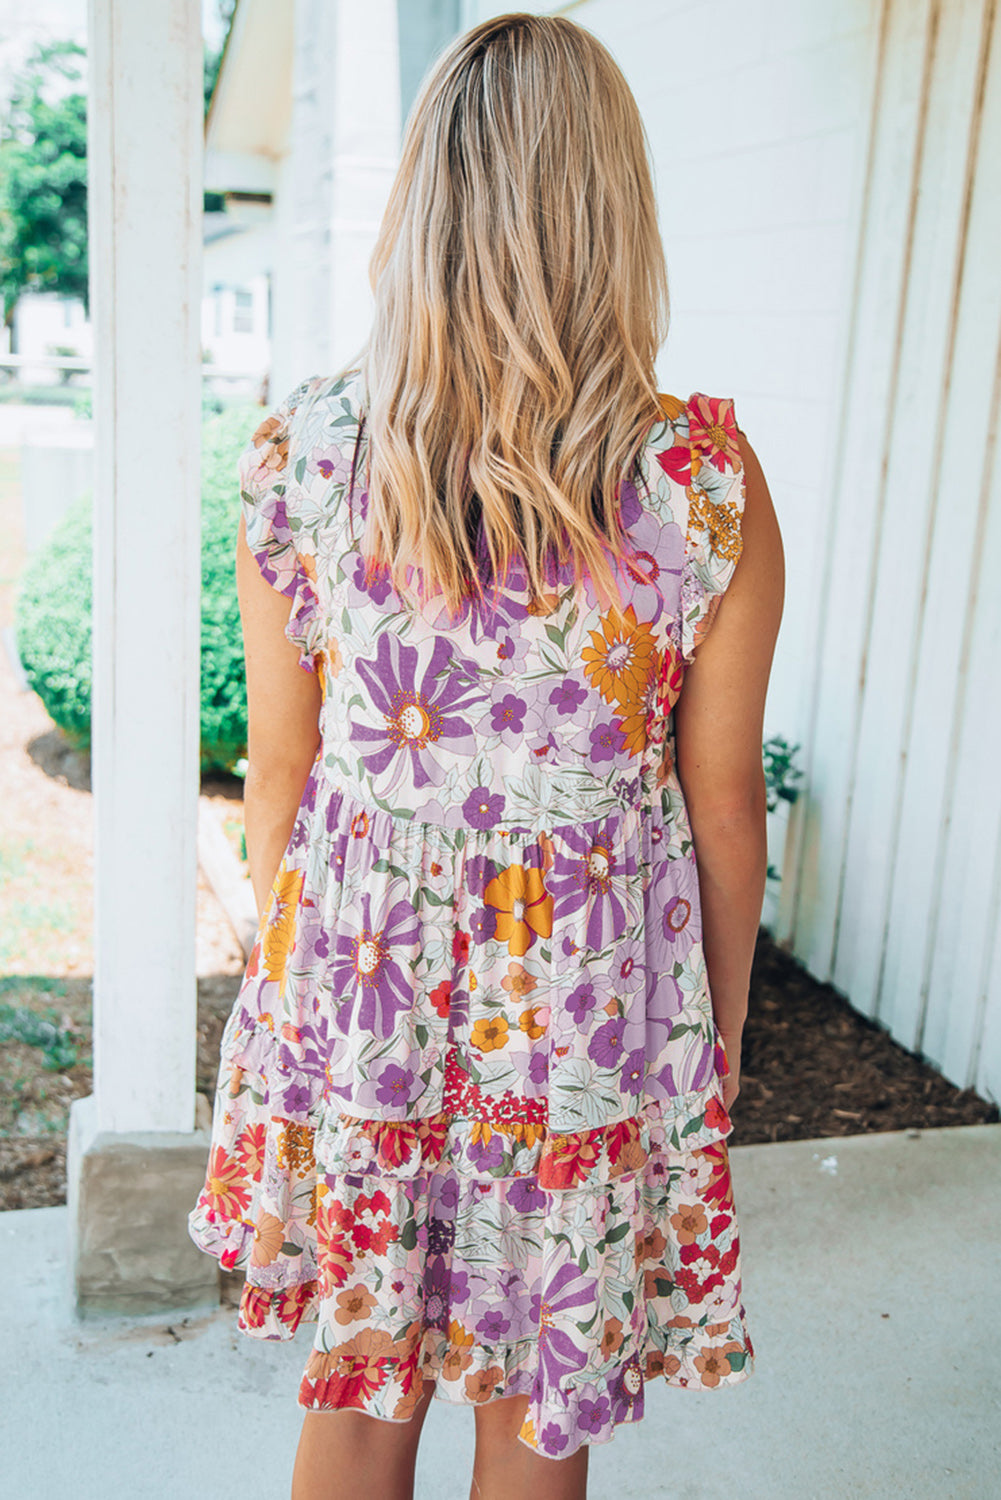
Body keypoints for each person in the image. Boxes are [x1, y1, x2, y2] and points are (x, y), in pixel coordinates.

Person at [188, 12, 784, 1500]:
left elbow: (283, 777)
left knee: (358, 1385)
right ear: (614, 214)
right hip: (585, 1018)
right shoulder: (697, 484)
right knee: (533, 1410)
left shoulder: (307, 456)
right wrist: (707, 1044)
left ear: (421, 204)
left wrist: (303, 1000)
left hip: (360, 993)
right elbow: (722, 808)